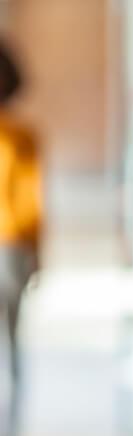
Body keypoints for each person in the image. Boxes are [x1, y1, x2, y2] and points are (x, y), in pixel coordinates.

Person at [0, 41, 42, 435]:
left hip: (11, 245)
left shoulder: (21, 136)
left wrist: (36, 252)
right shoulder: (21, 136)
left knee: (10, 331)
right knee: (9, 331)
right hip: (11, 246)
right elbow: (32, 202)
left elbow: (32, 201)